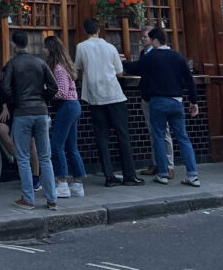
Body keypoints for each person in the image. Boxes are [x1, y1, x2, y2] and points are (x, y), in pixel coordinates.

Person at [123, 27, 200, 187]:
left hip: (158, 102)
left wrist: (120, 61)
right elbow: (189, 80)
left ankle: (163, 173)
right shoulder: (178, 56)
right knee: (183, 138)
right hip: (176, 101)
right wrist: (193, 102)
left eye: (150, 39)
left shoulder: (152, 57)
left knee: (158, 136)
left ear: (155, 40)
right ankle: (193, 175)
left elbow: (134, 68)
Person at [74, 18, 143, 187]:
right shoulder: (110, 47)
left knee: (102, 137)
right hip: (114, 95)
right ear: (99, 30)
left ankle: (109, 176)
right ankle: (129, 175)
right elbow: (119, 72)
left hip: (95, 97)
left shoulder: (81, 47)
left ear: (85, 30)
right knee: (123, 136)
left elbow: (77, 68)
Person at [0, 30, 58, 212]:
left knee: (23, 157)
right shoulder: (40, 62)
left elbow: (4, 88)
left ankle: (28, 199)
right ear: (28, 43)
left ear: (13, 45)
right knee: (45, 157)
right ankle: (52, 199)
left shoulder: (12, 64)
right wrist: (42, 98)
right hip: (41, 111)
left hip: (22, 113)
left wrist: (14, 102)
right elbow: (54, 86)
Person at [125, 26, 174, 178]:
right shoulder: (144, 53)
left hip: (159, 97)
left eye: (146, 37)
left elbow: (140, 68)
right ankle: (156, 163)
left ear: (154, 39)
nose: (143, 39)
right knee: (152, 131)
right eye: (142, 36)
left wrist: (123, 63)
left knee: (163, 132)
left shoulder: (159, 54)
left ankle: (168, 165)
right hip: (146, 96)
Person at [44, 35, 86, 198]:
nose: (43, 50)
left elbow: (60, 92)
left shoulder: (58, 69)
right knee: (71, 146)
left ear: (51, 50)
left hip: (66, 107)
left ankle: (62, 182)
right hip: (73, 106)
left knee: (57, 145)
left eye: (45, 48)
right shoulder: (65, 67)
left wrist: (46, 91)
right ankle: (78, 183)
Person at [0, 67, 41, 189]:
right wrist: (4, 108)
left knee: (31, 142)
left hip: (24, 109)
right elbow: (2, 91)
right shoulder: (6, 73)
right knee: (1, 129)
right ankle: (21, 160)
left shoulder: (26, 77)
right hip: (11, 110)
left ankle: (36, 177)